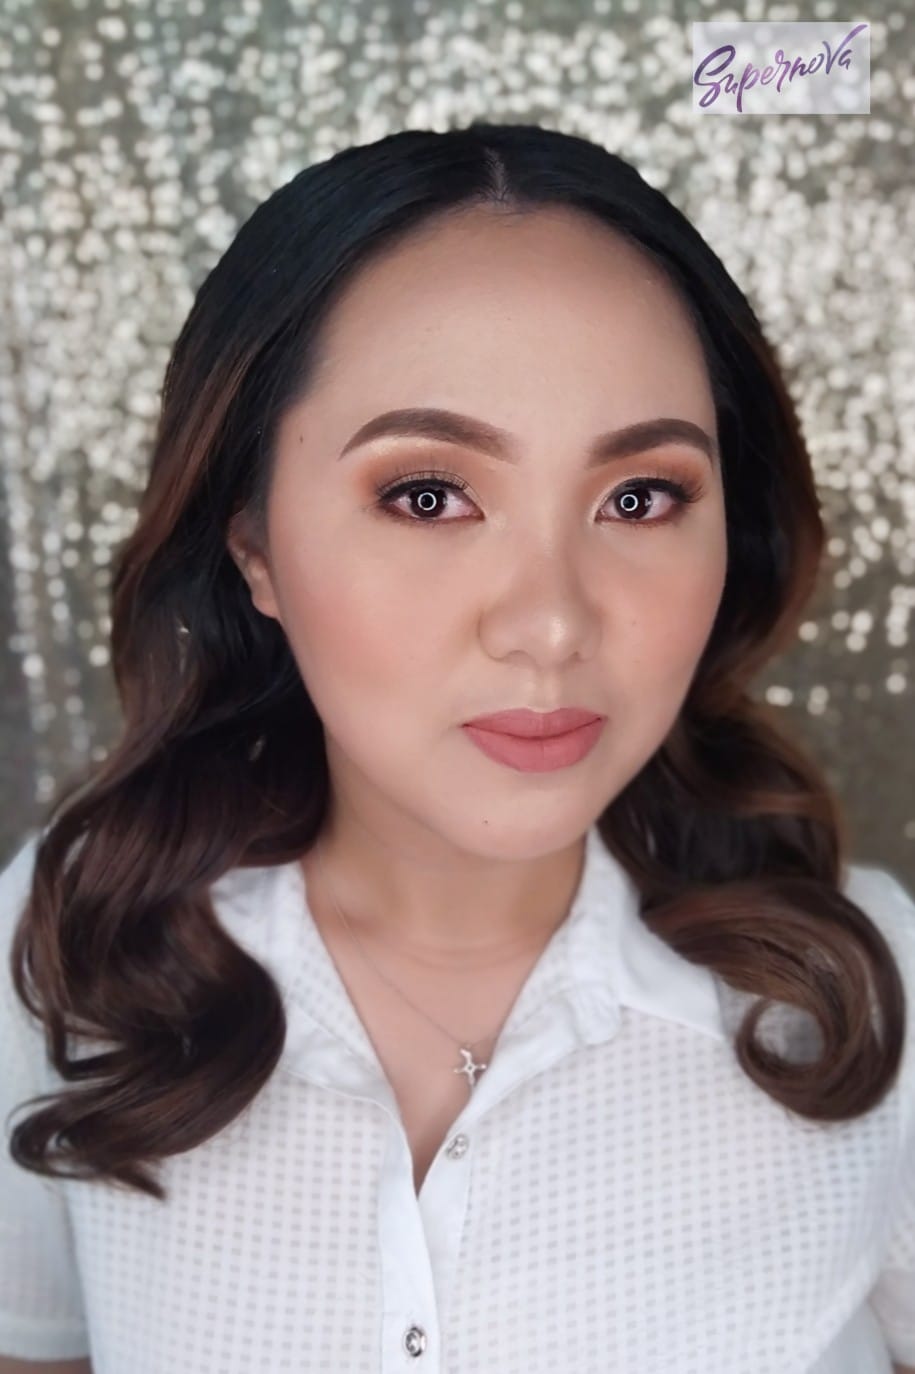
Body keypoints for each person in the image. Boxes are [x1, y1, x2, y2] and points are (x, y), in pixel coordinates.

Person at [1, 121, 913, 1374]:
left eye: (640, 497)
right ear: (254, 546)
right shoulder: (74, 944)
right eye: (428, 495)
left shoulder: (871, 996)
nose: (550, 623)